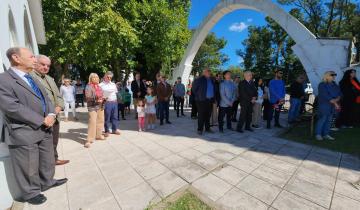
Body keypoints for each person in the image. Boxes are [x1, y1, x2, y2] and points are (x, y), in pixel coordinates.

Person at [0, 47, 67, 204]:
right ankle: (30, 193)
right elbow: (11, 107)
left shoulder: (33, 78)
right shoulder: (4, 79)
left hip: (45, 126)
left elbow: (47, 99)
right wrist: (40, 119)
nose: (34, 60)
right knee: (27, 163)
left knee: (47, 158)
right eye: (31, 57)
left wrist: (51, 114)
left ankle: (47, 181)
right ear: (16, 58)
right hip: (23, 130)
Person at [32, 54, 69, 166]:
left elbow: (58, 97)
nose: (46, 67)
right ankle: (47, 164)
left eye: (48, 65)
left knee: (54, 140)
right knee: (45, 143)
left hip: (55, 115)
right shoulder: (31, 77)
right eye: (43, 64)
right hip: (44, 117)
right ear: (35, 63)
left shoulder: (49, 78)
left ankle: (54, 159)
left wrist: (57, 109)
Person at [315, 71, 342, 141]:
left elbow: (340, 93)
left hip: (332, 105)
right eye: (332, 75)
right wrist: (336, 103)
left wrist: (337, 99)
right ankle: (318, 134)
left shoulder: (334, 84)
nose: (334, 76)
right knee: (322, 119)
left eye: (334, 75)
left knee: (329, 120)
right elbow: (325, 96)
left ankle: (326, 134)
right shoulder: (322, 84)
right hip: (324, 105)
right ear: (327, 76)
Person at [85, 73, 106, 148]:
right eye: (94, 77)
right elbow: (88, 98)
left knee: (100, 121)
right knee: (92, 122)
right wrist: (97, 100)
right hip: (92, 106)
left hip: (100, 106)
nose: (96, 79)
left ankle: (98, 135)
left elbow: (102, 95)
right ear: (90, 79)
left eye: (97, 77)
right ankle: (89, 140)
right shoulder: (88, 87)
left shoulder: (99, 87)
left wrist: (103, 99)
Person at [192, 68, 215, 135]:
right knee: (201, 115)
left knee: (208, 115)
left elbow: (214, 89)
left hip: (210, 100)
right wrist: (199, 96)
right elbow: (194, 89)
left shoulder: (211, 80)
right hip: (201, 100)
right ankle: (200, 129)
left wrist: (214, 99)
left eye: (209, 72)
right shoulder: (199, 79)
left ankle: (207, 128)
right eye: (208, 71)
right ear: (204, 72)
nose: (209, 73)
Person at [100, 71, 120, 136]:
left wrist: (118, 100)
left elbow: (116, 93)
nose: (109, 78)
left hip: (114, 102)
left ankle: (114, 129)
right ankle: (107, 130)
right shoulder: (101, 85)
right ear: (104, 76)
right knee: (107, 117)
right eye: (108, 77)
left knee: (115, 116)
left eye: (110, 77)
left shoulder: (113, 84)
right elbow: (99, 94)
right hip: (107, 102)